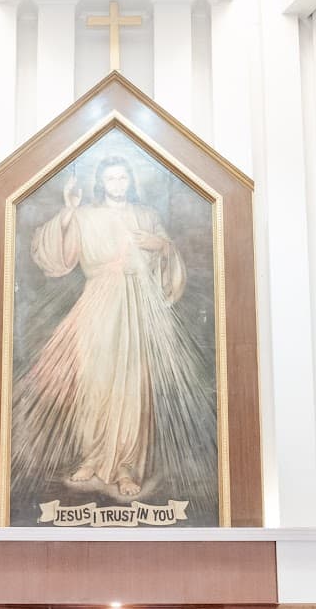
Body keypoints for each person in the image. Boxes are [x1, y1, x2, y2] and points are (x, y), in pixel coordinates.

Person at [12, 153, 215, 506]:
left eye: (123, 178)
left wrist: (162, 246)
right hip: (97, 306)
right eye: (111, 179)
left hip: (136, 307)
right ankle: (92, 457)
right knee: (94, 381)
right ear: (101, 183)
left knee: (132, 384)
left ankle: (125, 466)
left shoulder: (147, 217)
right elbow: (54, 255)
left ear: (130, 181)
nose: (117, 185)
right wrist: (68, 211)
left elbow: (169, 266)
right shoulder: (86, 216)